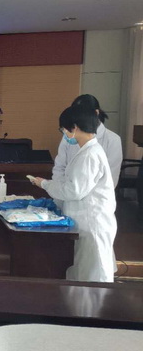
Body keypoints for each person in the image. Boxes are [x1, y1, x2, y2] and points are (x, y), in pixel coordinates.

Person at [30, 105, 117, 283]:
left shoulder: (89, 155)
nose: (64, 133)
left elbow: (74, 190)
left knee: (93, 278)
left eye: (63, 129)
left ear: (74, 127)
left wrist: (44, 184)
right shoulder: (86, 151)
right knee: (82, 275)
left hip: (92, 223)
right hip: (85, 221)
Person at [53, 94, 122, 187]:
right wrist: (60, 189)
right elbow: (59, 167)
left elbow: (111, 178)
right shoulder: (70, 136)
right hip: (67, 191)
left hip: (95, 195)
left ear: (96, 113)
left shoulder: (112, 140)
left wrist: (75, 191)